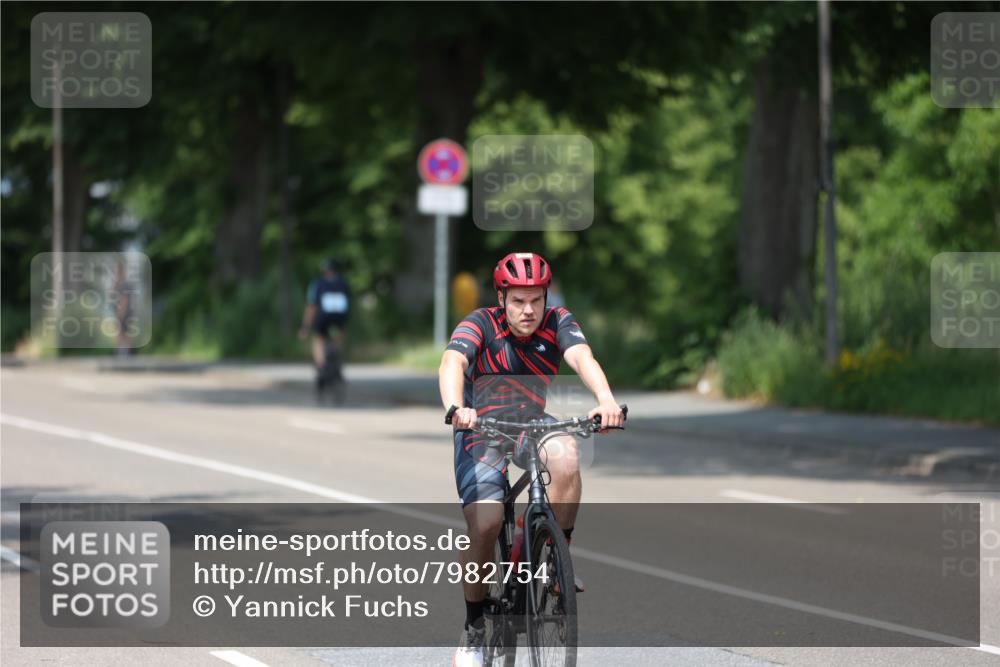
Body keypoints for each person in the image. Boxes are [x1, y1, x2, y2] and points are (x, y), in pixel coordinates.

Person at [439, 252, 624, 667]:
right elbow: (453, 361)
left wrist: (606, 400)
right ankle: (473, 630)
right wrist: (455, 406)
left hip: (529, 422)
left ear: (546, 298)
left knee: (567, 454)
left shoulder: (558, 322)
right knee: (486, 524)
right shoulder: (480, 323)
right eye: (519, 301)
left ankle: (554, 563)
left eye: (536, 300)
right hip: (480, 427)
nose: (528, 310)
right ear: (501, 299)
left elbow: (582, 357)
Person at [299, 259, 351, 396]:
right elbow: (348, 304)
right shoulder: (344, 284)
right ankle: (337, 362)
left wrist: (305, 327)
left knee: (318, 339)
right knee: (340, 335)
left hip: (323, 317)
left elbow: (312, 306)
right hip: (340, 317)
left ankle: (321, 366)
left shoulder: (318, 284)